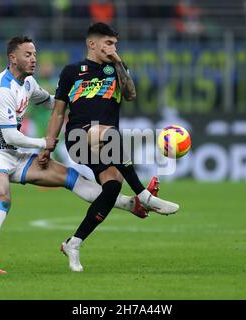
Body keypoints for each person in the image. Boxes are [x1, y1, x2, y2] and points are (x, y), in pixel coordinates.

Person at [0, 36, 158, 274]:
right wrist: (44, 143)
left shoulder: (28, 84)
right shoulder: (1, 88)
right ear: (12, 58)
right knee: (2, 198)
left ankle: (132, 204)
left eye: (35, 54)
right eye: (27, 55)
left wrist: (83, 101)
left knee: (72, 178)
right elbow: (10, 137)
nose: (33, 59)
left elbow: (53, 103)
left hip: (14, 155)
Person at [39, 23, 179, 272]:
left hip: (104, 144)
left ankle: (74, 243)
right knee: (113, 133)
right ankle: (144, 197)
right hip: (79, 137)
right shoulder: (72, 71)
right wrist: (47, 145)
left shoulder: (116, 69)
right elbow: (58, 112)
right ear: (92, 44)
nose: (113, 48)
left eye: (115, 44)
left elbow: (131, 94)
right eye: (109, 43)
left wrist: (119, 63)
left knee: (112, 187)